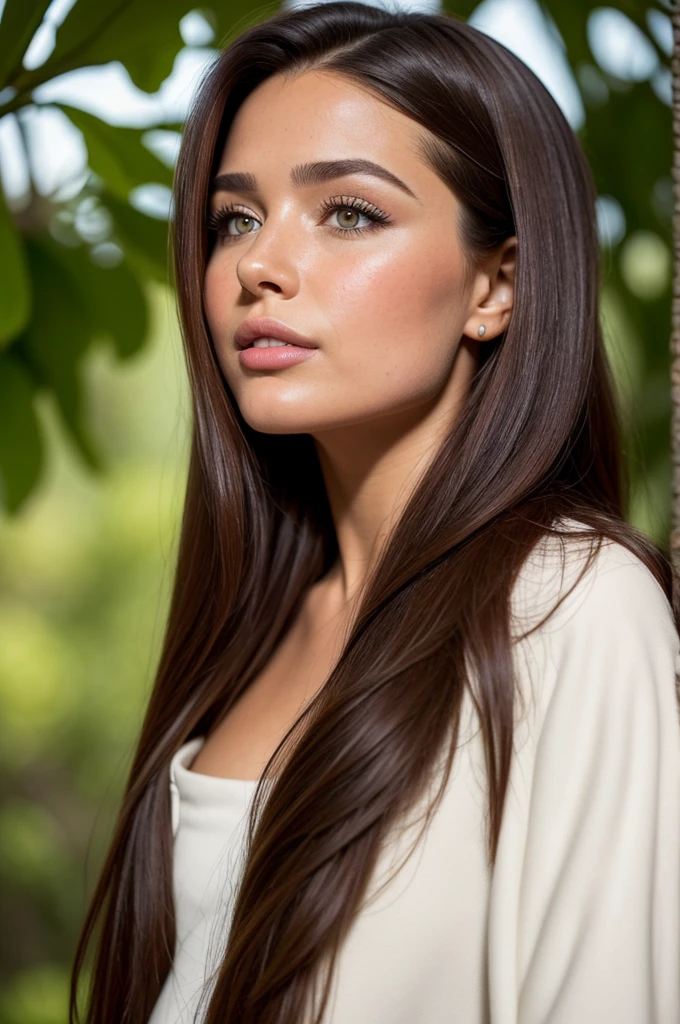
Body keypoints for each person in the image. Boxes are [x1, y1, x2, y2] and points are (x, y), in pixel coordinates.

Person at [69, 3, 680, 1022]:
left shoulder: (568, 608)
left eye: (346, 212)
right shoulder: (259, 622)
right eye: (236, 218)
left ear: (497, 284)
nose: (258, 266)